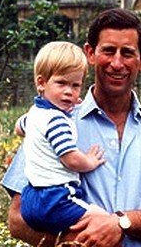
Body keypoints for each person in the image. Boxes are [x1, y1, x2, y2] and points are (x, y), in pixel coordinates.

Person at [2, 8, 141, 247]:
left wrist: (119, 223)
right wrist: (79, 242)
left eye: (127, 53)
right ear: (90, 54)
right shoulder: (51, 120)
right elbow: (17, 219)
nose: (117, 63)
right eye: (108, 51)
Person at [13, 41, 106, 235]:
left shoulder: (34, 114)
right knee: (104, 222)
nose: (68, 91)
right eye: (61, 83)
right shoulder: (56, 121)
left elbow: (18, 128)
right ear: (41, 82)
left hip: (31, 199)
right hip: (57, 197)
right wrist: (90, 161)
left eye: (75, 86)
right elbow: (70, 159)